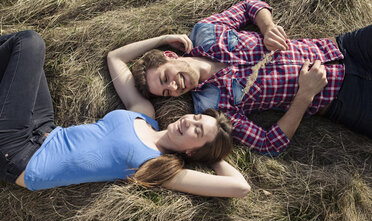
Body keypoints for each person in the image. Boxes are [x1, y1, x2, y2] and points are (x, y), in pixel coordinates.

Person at [0, 30, 251, 198]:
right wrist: (162, 38)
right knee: (18, 58)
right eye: (197, 118)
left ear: (192, 151)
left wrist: (211, 155)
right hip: (44, 130)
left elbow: (240, 187)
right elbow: (116, 58)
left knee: (30, 42)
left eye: (198, 130)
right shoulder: (145, 113)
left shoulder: (159, 165)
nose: (189, 121)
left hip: (21, 156)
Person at [126, 0, 372, 156]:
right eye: (166, 92)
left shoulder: (206, 33)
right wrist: (304, 96)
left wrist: (267, 28)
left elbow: (249, 6)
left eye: (165, 77)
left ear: (170, 56)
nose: (174, 86)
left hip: (344, 48)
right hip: (342, 99)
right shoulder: (212, 108)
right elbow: (268, 144)